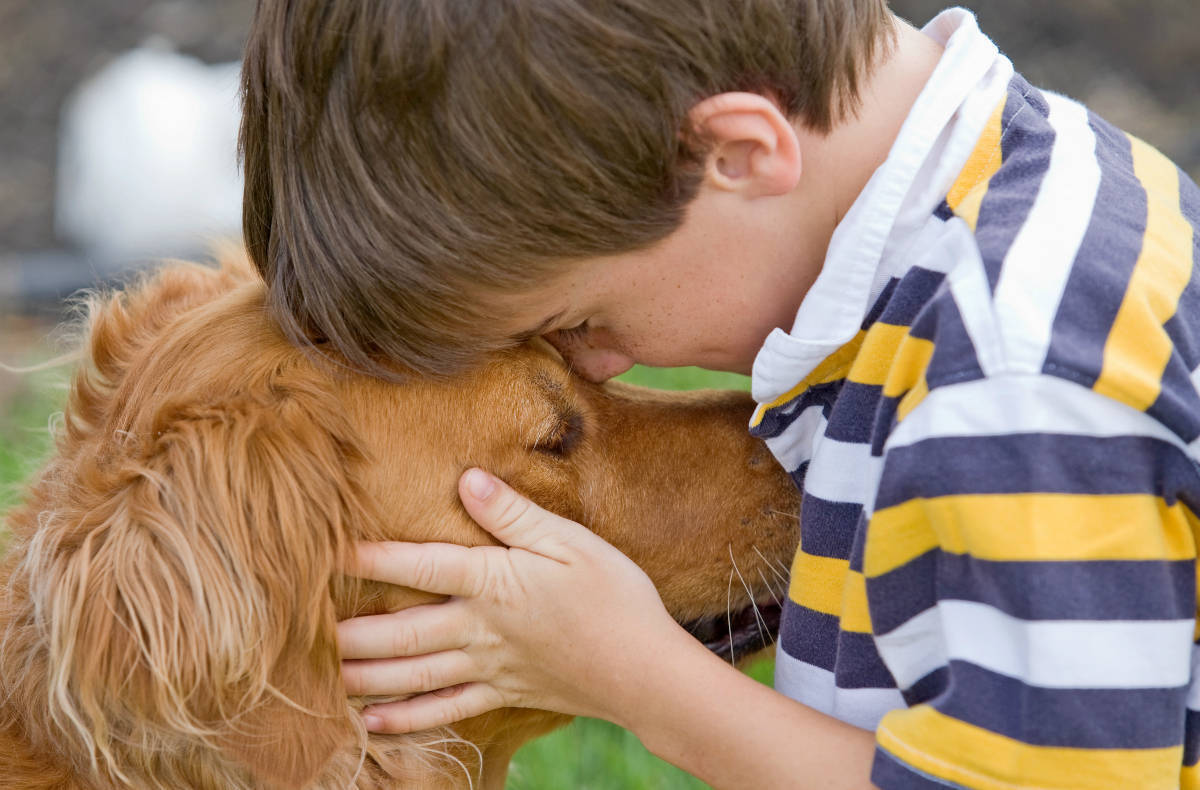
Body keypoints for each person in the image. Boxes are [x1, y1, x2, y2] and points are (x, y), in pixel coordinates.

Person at [238, 1, 1200, 787]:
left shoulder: (1010, 382)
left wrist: (641, 681)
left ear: (736, 154)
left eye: (582, 321)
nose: (606, 364)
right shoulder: (1043, 194)